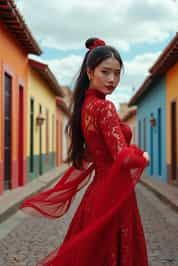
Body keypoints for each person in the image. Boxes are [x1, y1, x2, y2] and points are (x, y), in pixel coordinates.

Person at [20, 37, 150, 266]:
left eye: (117, 73)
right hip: (114, 192)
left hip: (97, 192)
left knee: (92, 253)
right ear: (90, 72)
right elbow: (123, 157)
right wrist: (143, 156)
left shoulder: (84, 107)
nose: (112, 79)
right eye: (105, 72)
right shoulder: (104, 107)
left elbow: (95, 153)